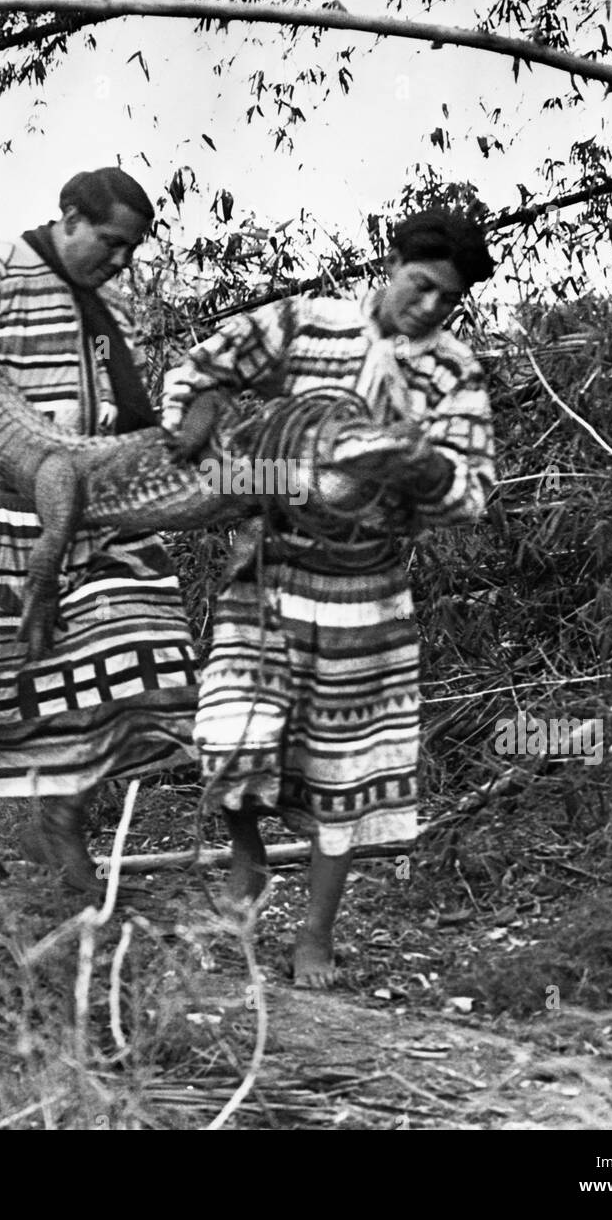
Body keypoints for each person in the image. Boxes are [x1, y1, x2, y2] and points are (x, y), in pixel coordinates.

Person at [162, 208, 496, 987]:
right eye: (418, 287)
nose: (426, 309)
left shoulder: (450, 373)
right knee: (226, 733)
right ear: (390, 264)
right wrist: (204, 415)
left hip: (364, 595)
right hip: (270, 574)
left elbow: (471, 491)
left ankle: (314, 934)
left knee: (345, 772)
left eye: (444, 301)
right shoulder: (309, 326)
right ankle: (247, 862)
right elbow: (203, 367)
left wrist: (419, 470)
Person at [0, 168, 198, 900]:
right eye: (112, 243)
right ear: (69, 217)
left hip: (88, 510)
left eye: (131, 250)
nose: (120, 261)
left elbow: (117, 406)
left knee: (133, 652)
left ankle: (60, 824)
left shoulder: (100, 299)